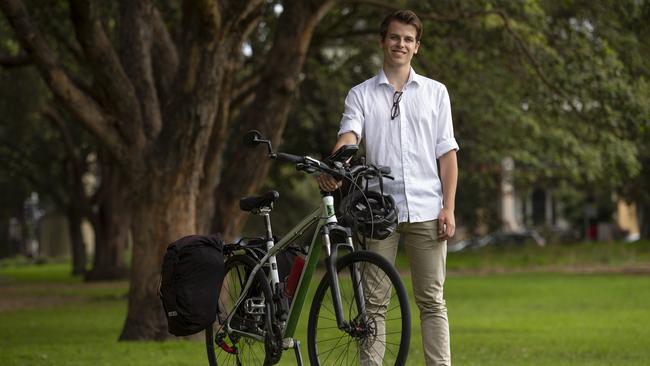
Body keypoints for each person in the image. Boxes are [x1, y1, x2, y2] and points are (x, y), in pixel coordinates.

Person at [317, 9, 459, 366]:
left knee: (432, 301)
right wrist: (336, 164)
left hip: (428, 208)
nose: (401, 44)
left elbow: (447, 155)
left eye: (408, 39)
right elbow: (349, 136)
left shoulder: (435, 93)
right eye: (395, 37)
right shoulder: (361, 94)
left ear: (417, 47)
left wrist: (449, 207)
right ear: (382, 42)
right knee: (375, 302)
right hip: (379, 211)